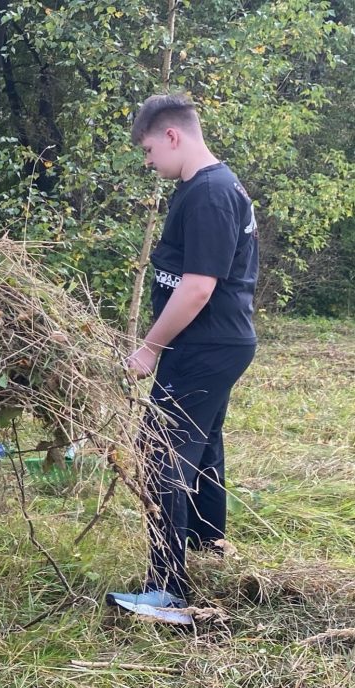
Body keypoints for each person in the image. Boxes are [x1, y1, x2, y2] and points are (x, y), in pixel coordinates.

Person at [107, 93, 258, 625]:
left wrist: (150, 347)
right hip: (216, 342)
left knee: (161, 454)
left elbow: (196, 288)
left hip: (205, 343)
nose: (149, 163)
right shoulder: (205, 187)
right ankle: (208, 546)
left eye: (149, 151)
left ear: (172, 136)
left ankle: (167, 591)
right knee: (202, 447)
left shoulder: (211, 193)